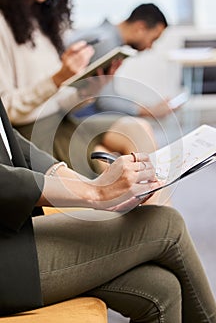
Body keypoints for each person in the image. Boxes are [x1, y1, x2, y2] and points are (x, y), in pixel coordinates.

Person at [0, 96, 216, 323]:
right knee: (166, 223)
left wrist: (91, 187)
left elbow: (9, 140)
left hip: (13, 233)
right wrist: (92, 192)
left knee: (162, 288)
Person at [0, 0, 159, 178]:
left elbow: (57, 101)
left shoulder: (42, 26)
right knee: (111, 166)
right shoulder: (3, 25)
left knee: (139, 129)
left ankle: (159, 206)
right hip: (33, 133)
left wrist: (90, 89)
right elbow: (6, 110)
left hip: (62, 120)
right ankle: (155, 207)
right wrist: (57, 79)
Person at [66, 3, 175, 119]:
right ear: (140, 28)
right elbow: (105, 101)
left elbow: (107, 94)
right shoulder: (106, 43)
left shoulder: (104, 35)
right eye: (153, 39)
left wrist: (147, 107)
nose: (150, 47)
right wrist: (149, 111)